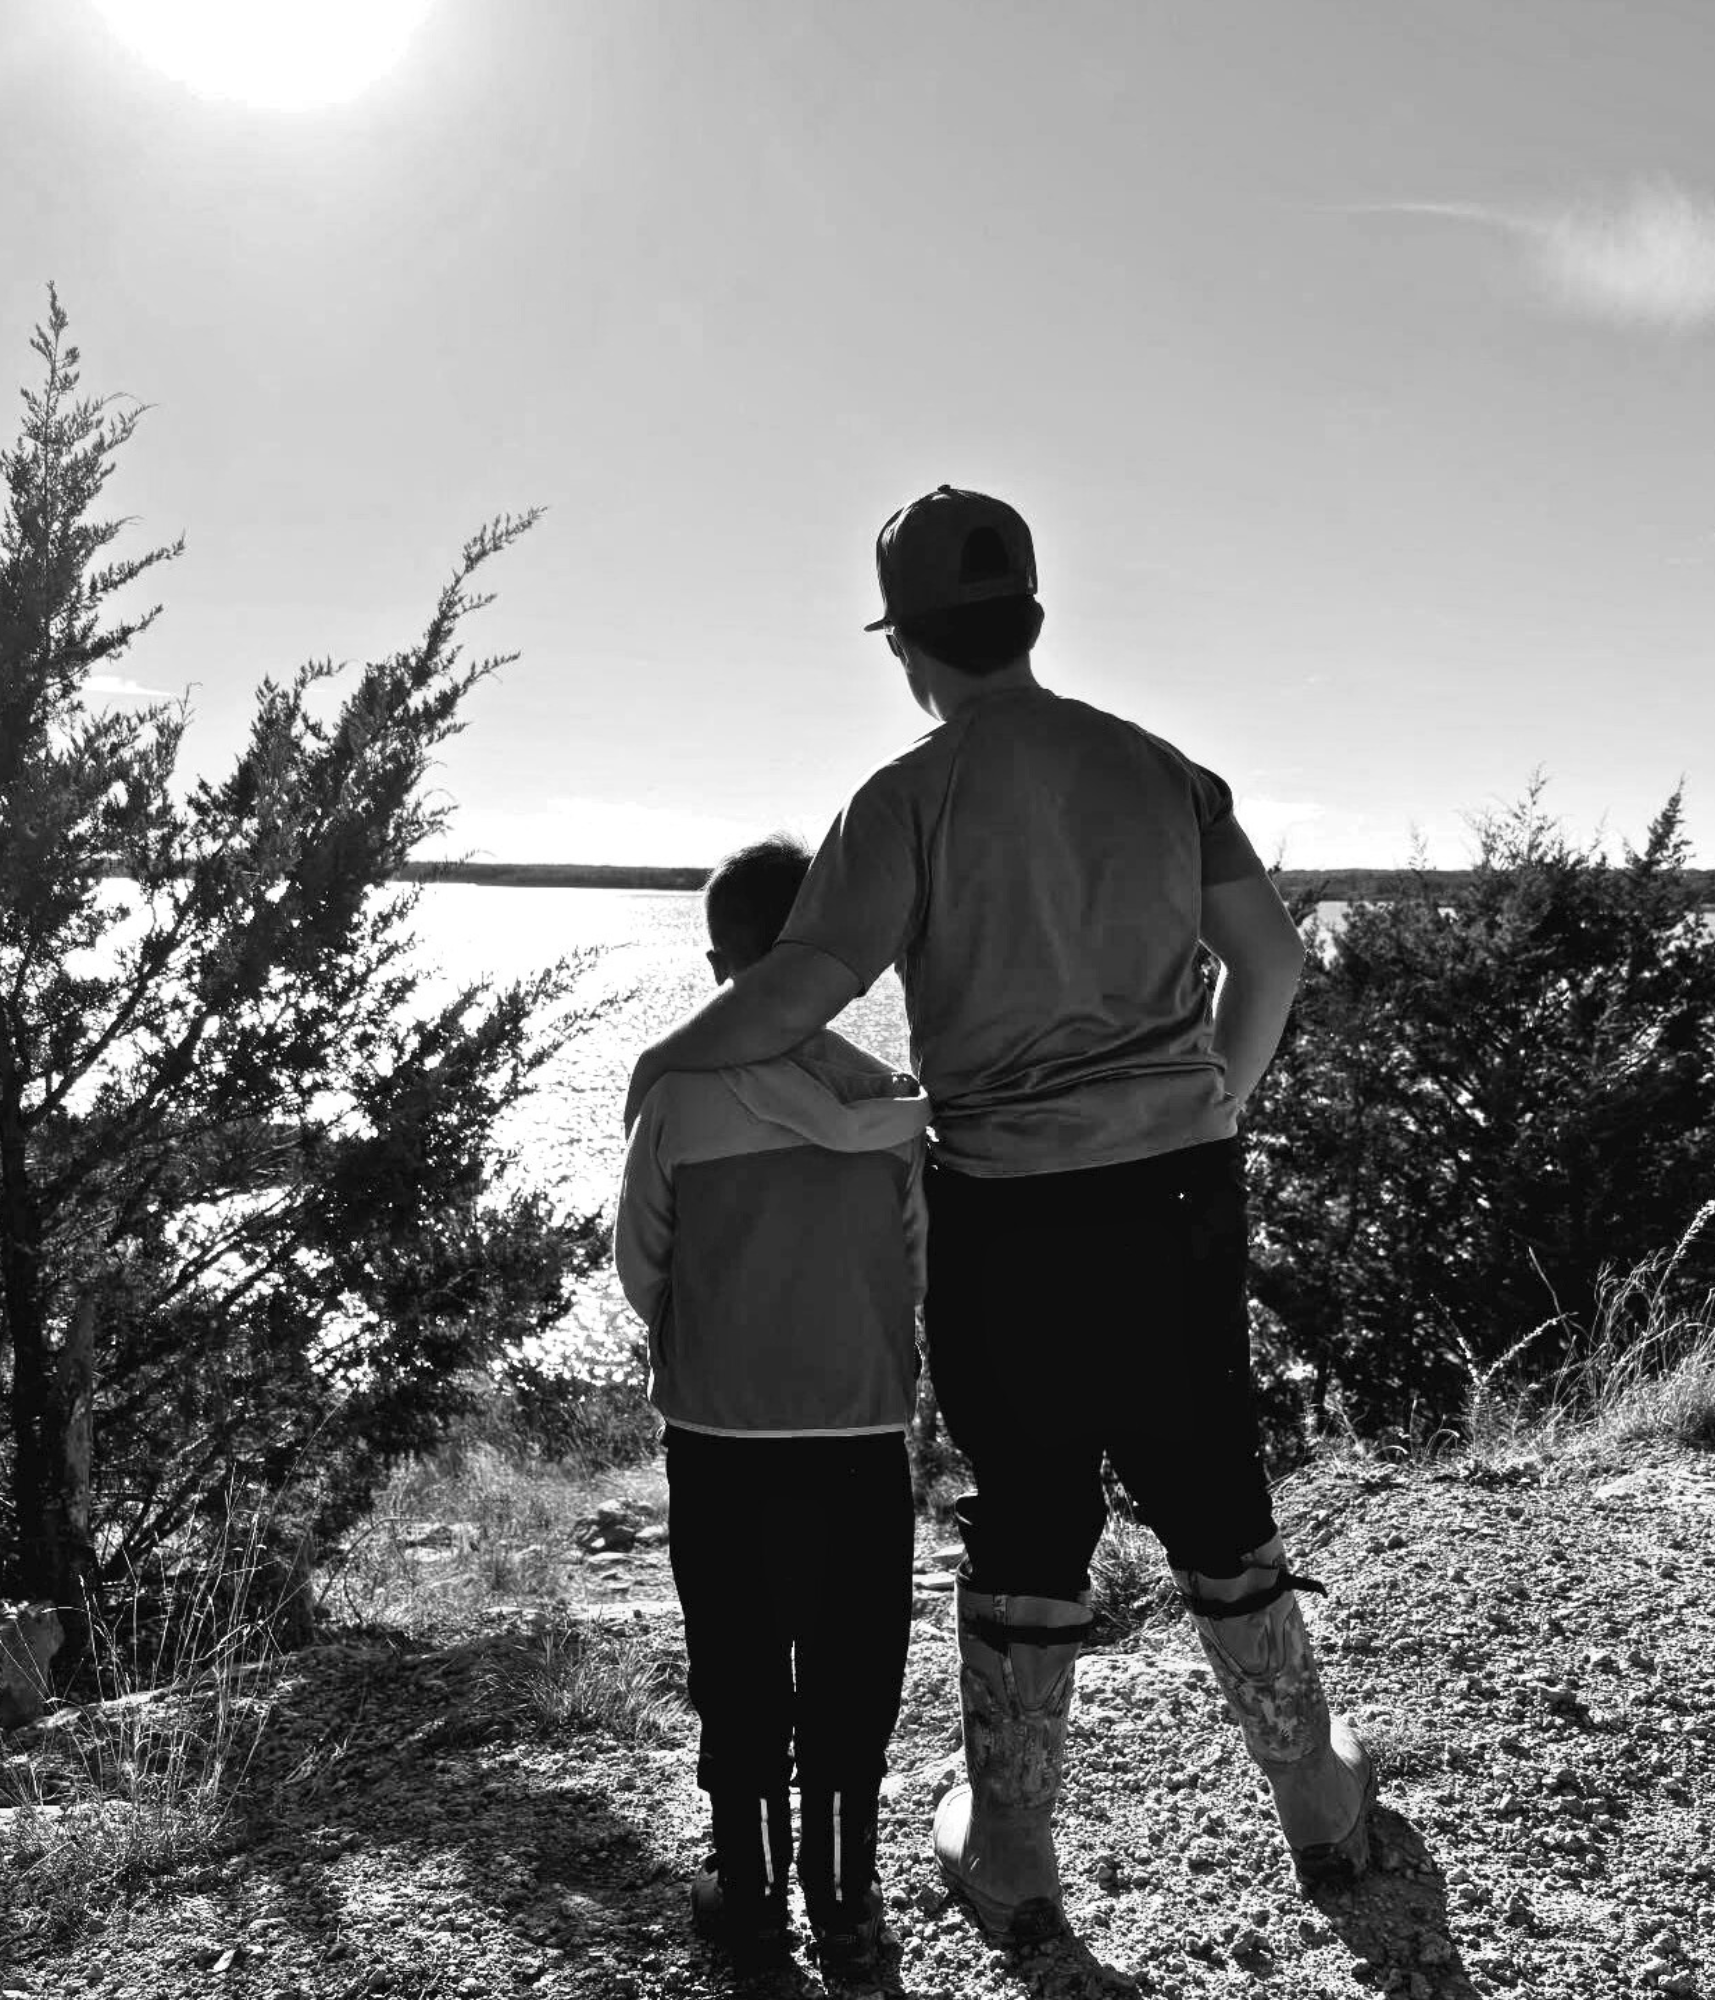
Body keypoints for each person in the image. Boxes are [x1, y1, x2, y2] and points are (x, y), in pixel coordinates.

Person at [624, 487, 1376, 1947]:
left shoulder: (906, 798)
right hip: (1176, 1190)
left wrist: (671, 1055)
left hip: (1004, 1211)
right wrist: (1204, 1103)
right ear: (1030, 615)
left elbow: (805, 987)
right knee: (1215, 1487)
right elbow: (1271, 967)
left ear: (905, 643)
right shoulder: (1165, 772)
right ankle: (1320, 1805)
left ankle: (1015, 1850)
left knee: (1029, 1511)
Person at [614, 836, 930, 1974]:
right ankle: (843, 1895)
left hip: (717, 1432)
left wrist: (702, 1326)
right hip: (856, 1427)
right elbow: (911, 1268)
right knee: (854, 1663)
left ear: (716, 965)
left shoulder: (679, 1097)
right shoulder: (889, 1104)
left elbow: (639, 1260)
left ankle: (746, 1890)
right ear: (832, 958)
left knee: (737, 1663)